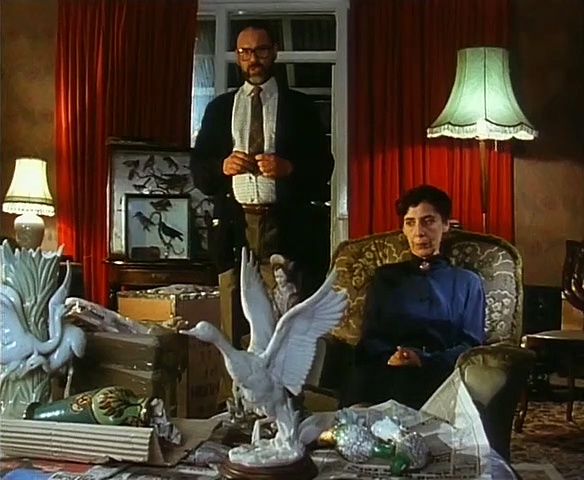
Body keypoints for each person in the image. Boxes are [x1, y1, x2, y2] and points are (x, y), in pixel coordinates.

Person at [191, 20, 333, 345]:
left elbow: (324, 167)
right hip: (234, 230)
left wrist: (289, 168)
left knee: (286, 331)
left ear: (275, 52)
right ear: (237, 56)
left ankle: (284, 380)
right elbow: (199, 169)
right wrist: (222, 166)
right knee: (233, 328)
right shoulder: (219, 109)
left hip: (286, 231)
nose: (253, 59)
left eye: (261, 51)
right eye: (245, 52)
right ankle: (236, 380)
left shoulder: (300, 107)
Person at [340, 185, 486, 409]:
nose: (419, 232)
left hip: (439, 376)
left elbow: (470, 346)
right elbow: (370, 337)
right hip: (385, 370)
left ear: (446, 224)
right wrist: (392, 356)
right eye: (410, 223)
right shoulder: (384, 277)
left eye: (428, 221)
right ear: (404, 229)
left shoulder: (467, 282)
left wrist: (424, 360)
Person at [269, 254, 300, 320]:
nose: (279, 280)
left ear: (287, 275)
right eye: (276, 277)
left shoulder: (293, 291)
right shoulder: (274, 293)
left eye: (281, 277)